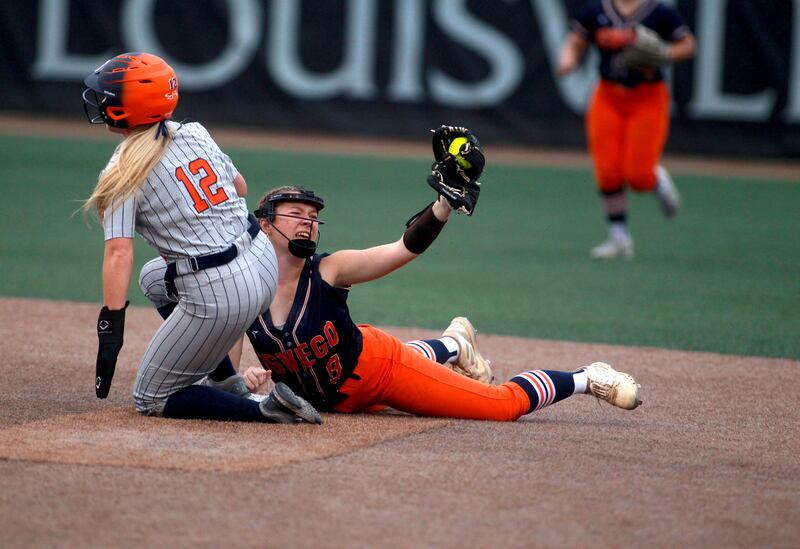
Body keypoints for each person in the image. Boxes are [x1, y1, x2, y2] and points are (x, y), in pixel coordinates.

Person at [169, 124, 642, 420]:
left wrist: (441, 208)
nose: (308, 221)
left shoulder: (328, 270)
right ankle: (456, 344)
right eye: (296, 213)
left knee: (500, 406)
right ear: (264, 223)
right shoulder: (243, 280)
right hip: (338, 398)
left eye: (313, 216)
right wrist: (239, 379)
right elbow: (224, 347)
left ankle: (587, 377)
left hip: (377, 372)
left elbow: (402, 249)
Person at [82, 51, 320, 424]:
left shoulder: (121, 171)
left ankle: (264, 409)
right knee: (153, 279)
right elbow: (240, 188)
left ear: (126, 110)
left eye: (109, 96)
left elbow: (117, 254)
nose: (101, 101)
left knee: (151, 397)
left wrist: (111, 329)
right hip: (261, 265)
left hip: (221, 293)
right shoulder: (194, 132)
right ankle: (227, 381)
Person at [558, 0, 696, 259]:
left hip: (647, 97)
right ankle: (619, 237)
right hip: (608, 96)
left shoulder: (659, 12)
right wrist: (568, 59)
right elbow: (576, 40)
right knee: (608, 171)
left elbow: (688, 44)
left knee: (638, 176)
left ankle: (658, 181)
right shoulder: (597, 10)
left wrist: (664, 54)